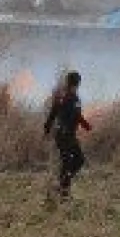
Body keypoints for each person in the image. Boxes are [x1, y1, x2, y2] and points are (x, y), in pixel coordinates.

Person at [42, 70, 92, 199]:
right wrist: (86, 125)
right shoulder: (73, 98)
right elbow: (77, 115)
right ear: (78, 83)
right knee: (76, 161)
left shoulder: (61, 96)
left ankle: (62, 186)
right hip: (66, 135)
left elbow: (52, 114)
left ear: (68, 82)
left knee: (71, 162)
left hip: (62, 135)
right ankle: (63, 189)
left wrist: (46, 130)